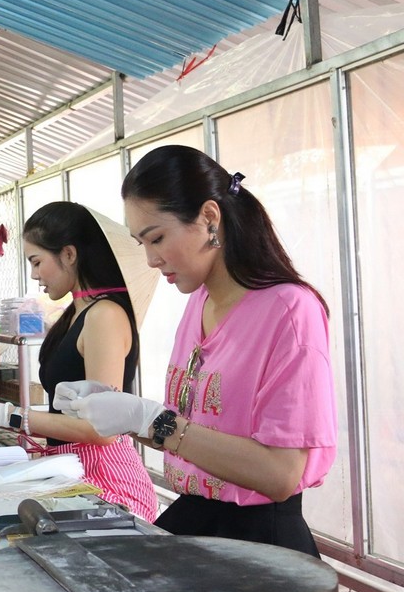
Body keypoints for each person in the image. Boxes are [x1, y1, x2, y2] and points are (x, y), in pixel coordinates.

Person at [57, 145, 337, 556]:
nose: (152, 259)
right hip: (197, 520)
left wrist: (154, 421)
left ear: (209, 218)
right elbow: (191, 431)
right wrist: (121, 411)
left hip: (258, 543)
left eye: (157, 238)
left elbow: (280, 474)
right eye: (141, 244)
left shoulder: (290, 310)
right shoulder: (198, 303)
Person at [0, 203, 159, 522]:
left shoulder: (105, 317)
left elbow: (101, 431)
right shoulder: (74, 314)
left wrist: (8, 416)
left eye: (37, 261)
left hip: (106, 480)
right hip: (70, 468)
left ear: (69, 254)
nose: (34, 274)